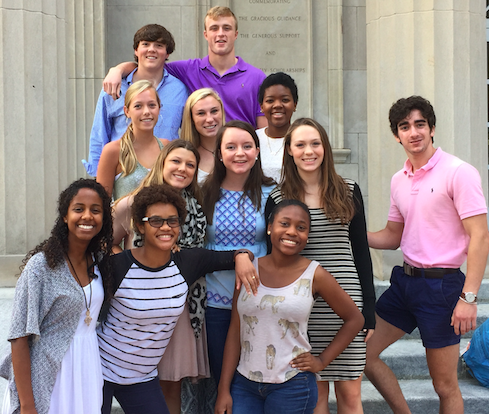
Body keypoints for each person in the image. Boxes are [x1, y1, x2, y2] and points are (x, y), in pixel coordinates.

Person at [364, 96, 489, 414]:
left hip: (442, 287)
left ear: (432, 128)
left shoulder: (458, 172)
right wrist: (351, 233)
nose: (413, 132)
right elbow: (393, 236)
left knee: (444, 385)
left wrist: (468, 299)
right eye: (404, 126)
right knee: (362, 353)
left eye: (420, 124)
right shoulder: (398, 180)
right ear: (397, 135)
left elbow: (480, 236)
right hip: (405, 284)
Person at [98, 183, 258, 414]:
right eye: (156, 221)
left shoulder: (187, 263)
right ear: (141, 227)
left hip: (142, 379)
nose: (166, 227)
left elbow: (230, 256)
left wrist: (243, 255)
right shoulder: (117, 266)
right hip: (99, 373)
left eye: (172, 221)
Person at [265, 118, 376, 414]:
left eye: (315, 143)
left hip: (346, 305)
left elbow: (361, 252)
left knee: (351, 395)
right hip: (302, 306)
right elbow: (272, 257)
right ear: (289, 150)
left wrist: (369, 310)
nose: (308, 151)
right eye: (300, 144)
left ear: (324, 147)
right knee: (315, 395)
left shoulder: (348, 190)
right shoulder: (278, 197)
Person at [215, 200, 365, 414]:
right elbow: (234, 331)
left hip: (293, 384)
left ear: (307, 235)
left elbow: (355, 319)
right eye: (284, 223)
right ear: (269, 227)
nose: (292, 232)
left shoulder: (315, 274)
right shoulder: (249, 270)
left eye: (301, 227)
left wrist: (321, 361)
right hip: (244, 384)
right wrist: (223, 390)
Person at [0, 179, 114, 414]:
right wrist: (28, 406)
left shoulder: (100, 262)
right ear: (64, 216)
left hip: (87, 367)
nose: (87, 216)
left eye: (96, 210)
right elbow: (19, 337)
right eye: (78, 209)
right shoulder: (41, 267)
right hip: (51, 373)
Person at [111, 139, 207, 414]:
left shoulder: (196, 208)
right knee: (143, 381)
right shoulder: (133, 203)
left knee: (171, 382)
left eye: (190, 164)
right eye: (176, 161)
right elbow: (107, 242)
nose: (183, 169)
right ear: (162, 163)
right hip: (139, 307)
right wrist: (130, 264)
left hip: (181, 304)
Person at [103, 6, 266, 129]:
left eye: (227, 28)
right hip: (202, 161)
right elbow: (150, 65)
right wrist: (117, 70)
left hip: (240, 159)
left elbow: (263, 129)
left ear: (235, 34)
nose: (220, 33)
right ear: (206, 34)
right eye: (214, 28)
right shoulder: (187, 70)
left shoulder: (257, 77)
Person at [201, 120, 276, 386]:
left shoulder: (272, 194)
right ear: (219, 154)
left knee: (254, 379)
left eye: (247, 146)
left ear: (257, 151)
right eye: (230, 147)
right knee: (221, 380)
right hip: (214, 302)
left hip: (258, 298)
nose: (239, 153)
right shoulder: (202, 193)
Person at [83, 23, 188, 177]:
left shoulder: (179, 90)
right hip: (122, 174)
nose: (151, 49)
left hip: (164, 176)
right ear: (136, 50)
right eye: (145, 44)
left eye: (159, 45)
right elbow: (100, 133)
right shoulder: (115, 86)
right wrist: (98, 175)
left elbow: (188, 133)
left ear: (167, 53)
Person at [96, 80, 168, 200]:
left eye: (152, 105)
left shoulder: (167, 147)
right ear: (127, 111)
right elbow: (101, 203)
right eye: (138, 106)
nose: (146, 112)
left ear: (159, 108)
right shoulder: (113, 151)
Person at [256, 72, 298, 182]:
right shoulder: (252, 139)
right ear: (261, 106)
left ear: (295, 104)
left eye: (285, 100)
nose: (277, 105)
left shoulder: (303, 139)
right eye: (270, 101)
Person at [180, 88, 226, 184]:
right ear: (191, 119)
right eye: (201, 113)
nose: (209, 119)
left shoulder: (238, 149)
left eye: (214, 111)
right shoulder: (182, 155)